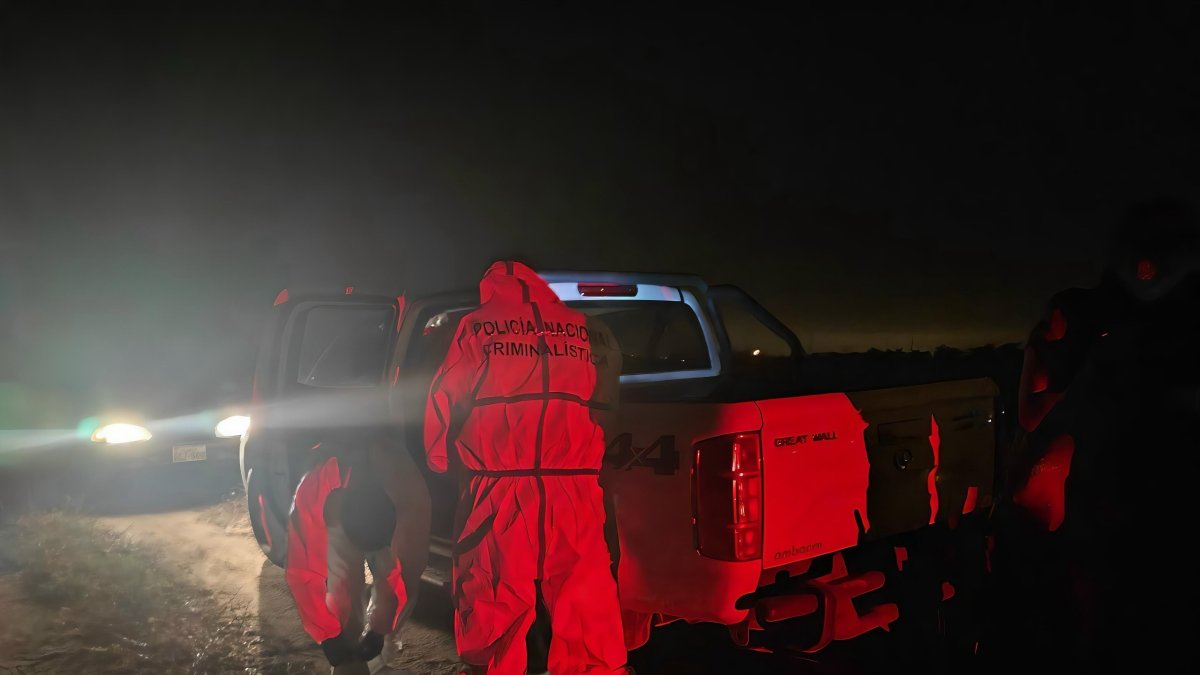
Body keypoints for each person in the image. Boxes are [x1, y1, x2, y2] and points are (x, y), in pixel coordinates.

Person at [984, 199, 1200, 670]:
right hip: (1044, 516)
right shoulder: (1064, 340)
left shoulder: (1134, 349)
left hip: (1081, 517)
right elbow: (1030, 416)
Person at [425, 261, 630, 675]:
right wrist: (589, 458)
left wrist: (439, 459)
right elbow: (607, 403)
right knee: (587, 606)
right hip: (575, 490)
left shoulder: (477, 327)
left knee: (492, 605)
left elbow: (442, 395)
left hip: (498, 490)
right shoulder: (587, 327)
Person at [286, 434, 413, 675]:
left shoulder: (402, 494)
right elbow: (302, 572)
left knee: (390, 564)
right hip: (336, 499)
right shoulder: (313, 493)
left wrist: (380, 626)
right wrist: (328, 636)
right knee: (343, 586)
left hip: (377, 490)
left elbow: (400, 571)